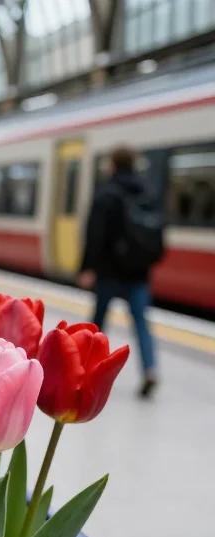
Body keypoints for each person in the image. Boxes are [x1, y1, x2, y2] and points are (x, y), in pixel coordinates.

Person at [79, 145, 163, 398]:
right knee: (141, 323)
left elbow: (94, 235)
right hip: (138, 273)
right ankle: (150, 369)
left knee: (97, 326)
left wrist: (87, 267)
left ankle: (87, 371)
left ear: (113, 165)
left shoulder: (106, 194)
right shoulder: (148, 192)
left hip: (108, 273)